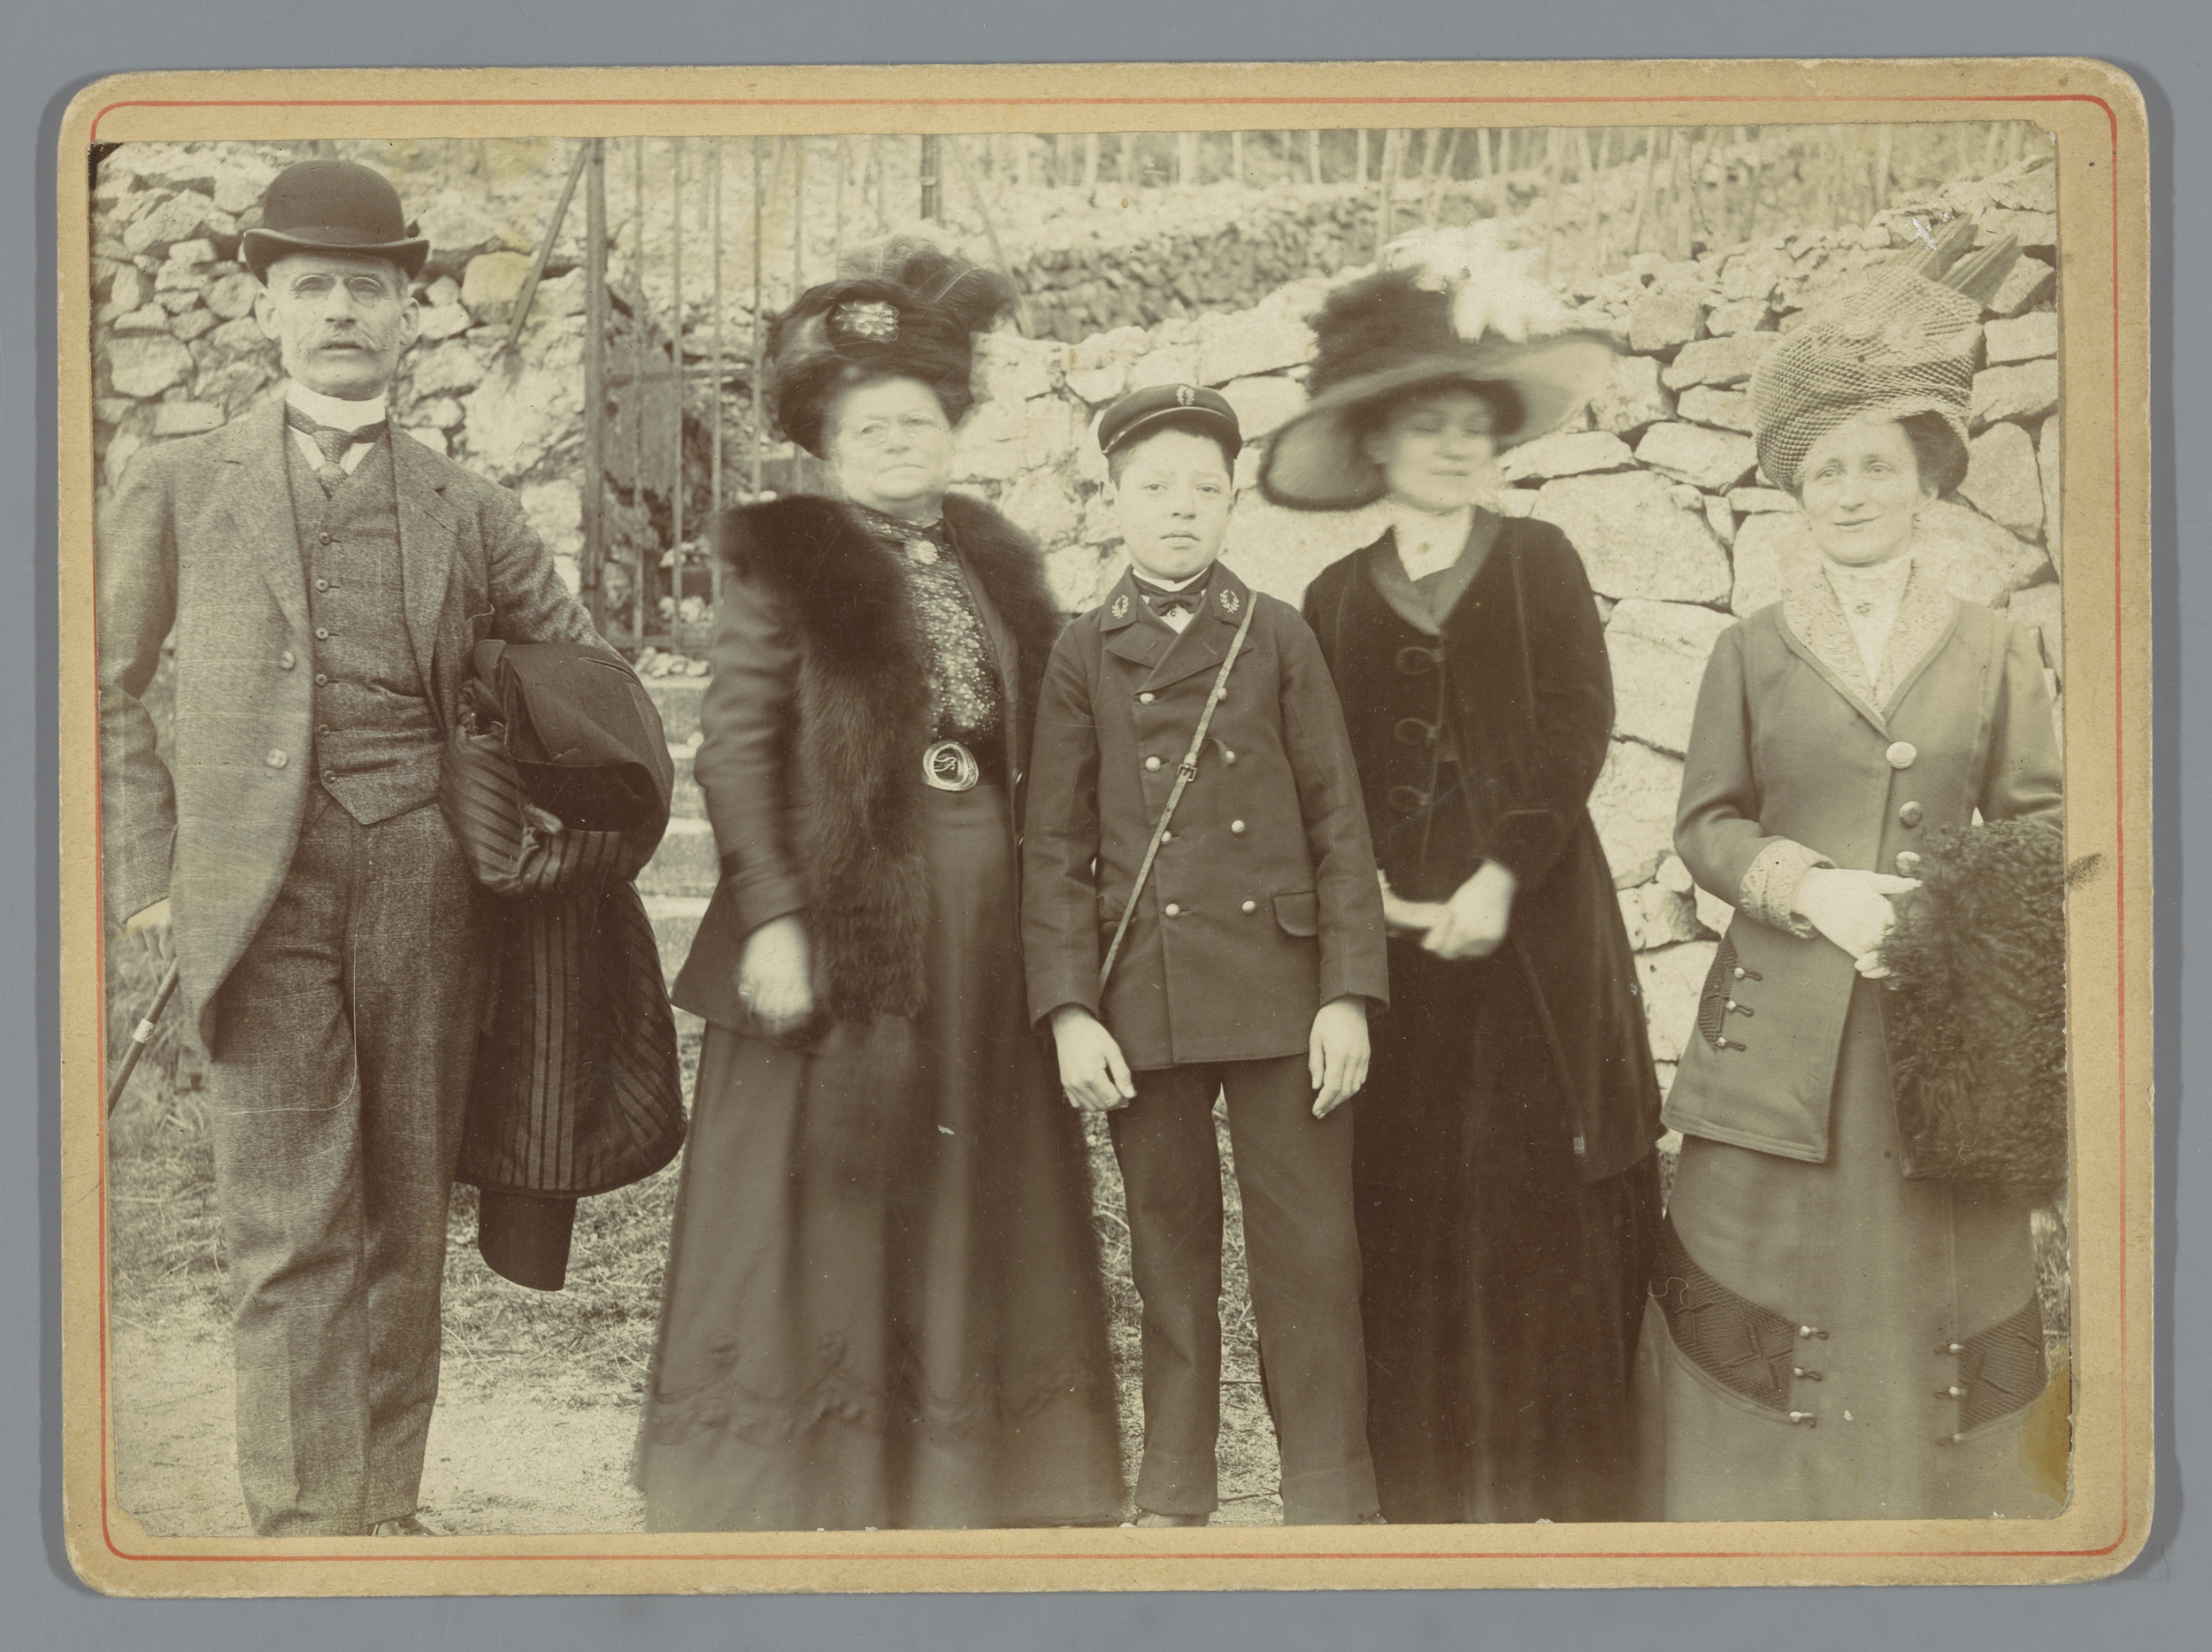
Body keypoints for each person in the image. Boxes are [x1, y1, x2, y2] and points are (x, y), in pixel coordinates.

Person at [96, 158, 600, 1536]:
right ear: (267, 305)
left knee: (403, 1204)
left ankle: (383, 1507)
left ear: (405, 315)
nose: (339, 313)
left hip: (427, 885)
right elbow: (97, 681)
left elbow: (580, 679)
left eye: (366, 291)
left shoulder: (468, 505)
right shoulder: (181, 481)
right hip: (249, 894)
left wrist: (509, 793)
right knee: (285, 1218)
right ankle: (301, 1525)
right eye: (313, 287)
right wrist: (147, 881)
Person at [634, 241, 1123, 1532]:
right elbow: (733, 748)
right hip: (839, 917)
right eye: (868, 426)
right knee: (831, 1194)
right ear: (825, 445)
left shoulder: (992, 556)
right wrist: (775, 916)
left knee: (972, 1183)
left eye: (916, 419)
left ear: (951, 427)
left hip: (984, 924)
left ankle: (967, 1474)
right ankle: (812, 1478)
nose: (897, 441)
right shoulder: (785, 559)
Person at [1259, 228, 1663, 1524]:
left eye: (1472, 426)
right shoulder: (1332, 599)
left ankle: (1564, 1503)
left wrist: (1500, 875)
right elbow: (1320, 775)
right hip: (1401, 961)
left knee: (1543, 1199)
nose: (1452, 446)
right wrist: (1366, 897)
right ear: (1375, 442)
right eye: (1425, 425)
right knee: (1419, 1204)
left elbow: (1576, 725)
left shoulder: (1540, 561)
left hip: (1539, 944)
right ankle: (1436, 1511)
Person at [1651, 267, 2064, 1520]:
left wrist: (1938, 919)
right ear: (1795, 492)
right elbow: (1705, 826)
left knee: (1933, 1282)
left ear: (1927, 482)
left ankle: (1941, 1539)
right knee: (1767, 1284)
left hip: (1941, 1032)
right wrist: (1813, 891)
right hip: (1777, 1039)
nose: (1851, 492)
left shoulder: (1996, 645)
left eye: (1877, 466)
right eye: (1825, 471)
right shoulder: (1749, 649)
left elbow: (2043, 827)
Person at [1023, 385, 1390, 1527]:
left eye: (1204, 488)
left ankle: (1328, 1495)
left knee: (1313, 1255)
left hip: (1284, 992)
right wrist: (1070, 1011)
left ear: (1232, 504)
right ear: (1114, 502)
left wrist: (1347, 993)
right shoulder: (1082, 651)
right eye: (1155, 487)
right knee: (1169, 1256)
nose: (1180, 508)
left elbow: (1339, 823)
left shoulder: (1276, 633)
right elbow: (1054, 849)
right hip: (1148, 996)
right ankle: (1176, 1489)